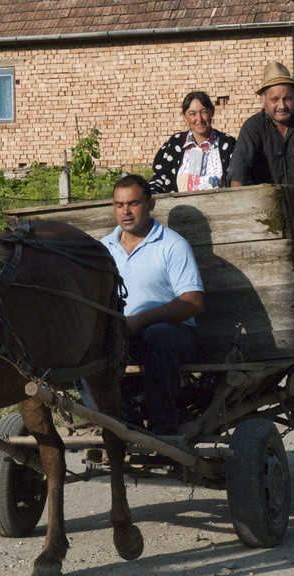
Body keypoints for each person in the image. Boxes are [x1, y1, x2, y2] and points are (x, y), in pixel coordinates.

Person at [101, 174, 204, 435]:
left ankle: (163, 433)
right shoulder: (103, 249)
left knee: (158, 336)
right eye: (119, 205)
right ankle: (119, 419)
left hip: (174, 336)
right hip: (121, 336)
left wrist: (138, 321)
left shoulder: (172, 245)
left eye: (133, 203)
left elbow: (192, 303)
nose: (126, 212)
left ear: (151, 203)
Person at [228, 61, 294, 200]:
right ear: (263, 101)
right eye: (274, 99)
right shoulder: (253, 126)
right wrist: (238, 199)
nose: (282, 106)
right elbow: (239, 166)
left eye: (287, 99)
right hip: (267, 205)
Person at [149, 91, 236, 196]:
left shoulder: (227, 144)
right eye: (192, 114)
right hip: (180, 210)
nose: (199, 119)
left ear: (212, 112)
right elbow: (158, 180)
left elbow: (238, 179)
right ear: (184, 116)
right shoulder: (174, 144)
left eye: (203, 112)